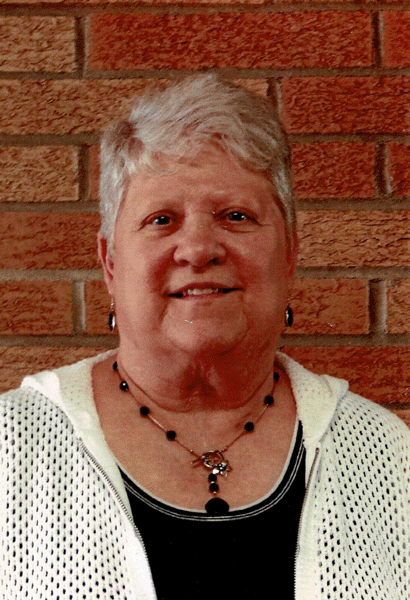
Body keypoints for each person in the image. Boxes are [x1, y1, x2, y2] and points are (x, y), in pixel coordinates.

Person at [0, 74, 409, 600]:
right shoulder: (12, 449)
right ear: (110, 263)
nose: (197, 248)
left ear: (289, 254)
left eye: (236, 216)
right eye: (161, 219)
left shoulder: (385, 455)